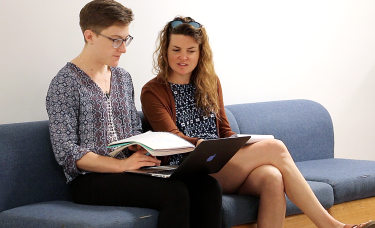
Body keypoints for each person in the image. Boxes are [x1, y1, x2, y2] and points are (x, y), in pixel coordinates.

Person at [140, 16, 375, 228]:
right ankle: (332, 226)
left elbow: (224, 130)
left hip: (219, 162)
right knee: (275, 148)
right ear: (165, 51)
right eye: (176, 49)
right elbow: (172, 138)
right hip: (189, 168)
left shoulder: (210, 82)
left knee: (272, 177)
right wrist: (204, 144)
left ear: (200, 53)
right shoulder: (153, 91)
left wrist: (235, 142)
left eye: (191, 50)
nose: (183, 57)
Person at [46, 2, 223, 228]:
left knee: (208, 186)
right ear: (89, 35)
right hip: (90, 180)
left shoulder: (122, 78)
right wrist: (120, 166)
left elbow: (133, 130)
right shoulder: (65, 83)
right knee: (175, 193)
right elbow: (66, 151)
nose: (123, 48)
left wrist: (141, 146)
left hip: (132, 170)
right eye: (115, 40)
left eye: (126, 39)